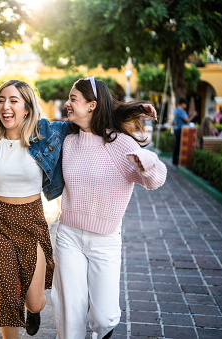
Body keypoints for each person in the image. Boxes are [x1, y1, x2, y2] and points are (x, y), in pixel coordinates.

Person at [51, 77, 167, 339]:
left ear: (92, 105)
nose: (67, 103)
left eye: (73, 99)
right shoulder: (68, 141)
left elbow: (155, 181)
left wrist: (146, 162)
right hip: (68, 235)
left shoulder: (119, 144)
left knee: (104, 317)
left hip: (105, 241)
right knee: (71, 312)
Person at [0, 79, 70, 338]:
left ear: (27, 107)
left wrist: (130, 111)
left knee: (35, 301)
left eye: (13, 100)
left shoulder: (45, 134)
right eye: (1, 101)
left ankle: (33, 311)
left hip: (31, 219)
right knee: (7, 296)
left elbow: (88, 119)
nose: (6, 106)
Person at [172, 98, 197, 165]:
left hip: (178, 129)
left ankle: (175, 160)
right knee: (179, 145)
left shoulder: (176, 110)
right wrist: (193, 116)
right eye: (185, 104)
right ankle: (177, 161)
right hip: (181, 130)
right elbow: (187, 120)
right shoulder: (180, 111)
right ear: (182, 104)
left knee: (177, 145)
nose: (186, 106)